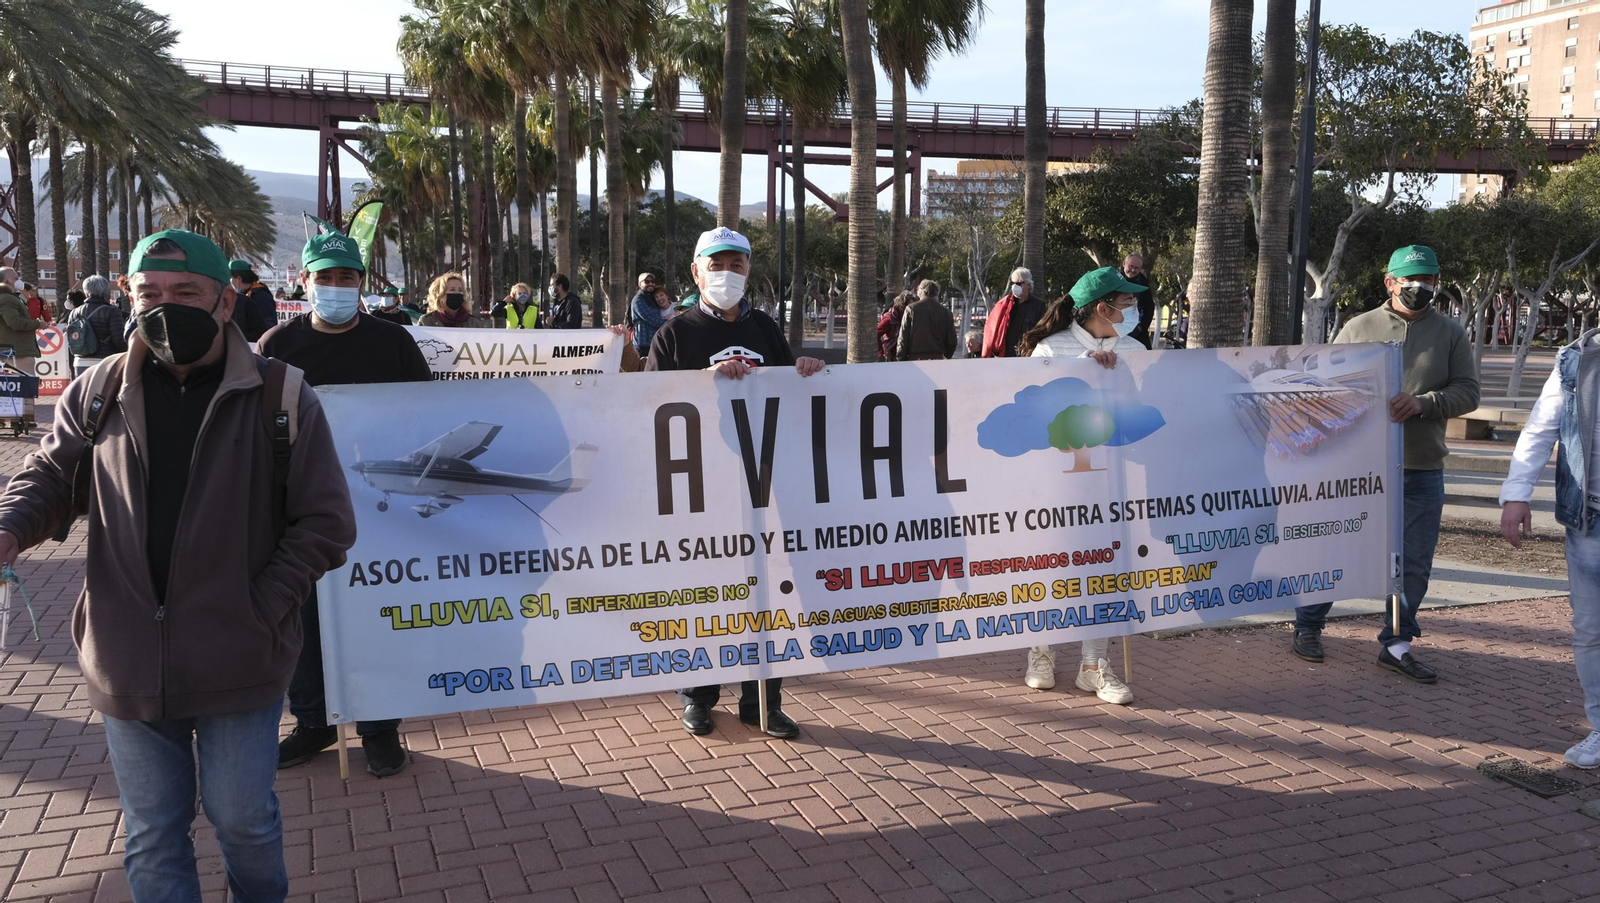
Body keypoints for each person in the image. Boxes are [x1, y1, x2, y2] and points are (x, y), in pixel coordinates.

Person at [0, 229, 356, 902]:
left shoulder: (281, 395)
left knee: (243, 821)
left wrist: (259, 605)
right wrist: (10, 527)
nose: (165, 307)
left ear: (225, 301)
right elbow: (49, 477)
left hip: (240, 657)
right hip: (127, 655)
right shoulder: (97, 388)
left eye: (184, 292)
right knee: (153, 832)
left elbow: (328, 522)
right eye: (149, 293)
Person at [260, 232, 430, 778]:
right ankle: (314, 722)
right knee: (303, 622)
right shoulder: (276, 347)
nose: (335, 287)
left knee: (377, 617)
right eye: (324, 277)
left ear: (361, 283)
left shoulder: (395, 342)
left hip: (381, 508)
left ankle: (381, 729)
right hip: (299, 513)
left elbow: (423, 413)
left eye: (346, 278)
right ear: (303, 280)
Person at [646, 226, 824, 741]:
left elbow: (791, 392)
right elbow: (646, 404)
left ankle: (762, 701)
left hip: (766, 485)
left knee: (768, 594)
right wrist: (705, 379)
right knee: (705, 593)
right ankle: (698, 697)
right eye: (717, 264)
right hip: (703, 490)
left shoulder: (767, 328)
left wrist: (806, 369)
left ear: (749, 272)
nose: (728, 274)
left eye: (738, 265)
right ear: (697, 272)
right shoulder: (673, 334)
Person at [1292, 245, 1480, 682]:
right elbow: (1323, 387)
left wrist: (1425, 403)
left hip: (1420, 467)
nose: (1421, 287)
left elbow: (1469, 392)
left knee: (1412, 563)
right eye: (1411, 279)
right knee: (1337, 547)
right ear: (1390, 282)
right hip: (1359, 469)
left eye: (1429, 279)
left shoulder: (1450, 333)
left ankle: (1397, 644)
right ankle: (1307, 626)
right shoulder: (1359, 328)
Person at [1016, 266, 1147, 704]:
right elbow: (1036, 415)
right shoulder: (1051, 348)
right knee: (1052, 566)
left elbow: (1141, 412)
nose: (1132, 308)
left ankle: (1094, 666)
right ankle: (1041, 652)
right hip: (1057, 482)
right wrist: (1084, 374)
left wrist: (1116, 378)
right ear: (1101, 307)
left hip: (1112, 481)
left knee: (1107, 571)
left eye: (1131, 301)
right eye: (1125, 301)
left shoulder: (1135, 348)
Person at [1500, 326, 1600, 769]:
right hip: (1590, 522)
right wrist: (1516, 494)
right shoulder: (1575, 360)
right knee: (1591, 632)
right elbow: (1541, 429)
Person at [0, 266, 44, 425]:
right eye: (15, 278)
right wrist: (37, 324)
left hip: (11, 349)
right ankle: (25, 418)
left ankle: (10, 417)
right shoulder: (8, 299)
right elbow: (15, 322)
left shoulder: (10, 298)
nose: (19, 281)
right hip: (18, 351)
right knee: (25, 384)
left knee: (7, 386)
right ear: (6, 281)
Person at [67, 275, 130, 376]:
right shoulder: (112, 312)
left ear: (86, 292)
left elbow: (71, 341)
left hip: (80, 361)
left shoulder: (74, 313)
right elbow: (119, 341)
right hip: (105, 361)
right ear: (105, 292)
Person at [982, 267, 1046, 358]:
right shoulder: (1005, 304)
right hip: (1005, 353)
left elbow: (1042, 329)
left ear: (1028, 285)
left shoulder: (1038, 305)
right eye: (1013, 283)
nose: (1015, 286)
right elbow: (992, 327)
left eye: (1019, 283)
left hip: (1027, 353)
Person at [897, 280, 957, 361]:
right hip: (938, 358)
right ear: (937, 293)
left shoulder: (911, 309)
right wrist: (946, 356)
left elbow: (903, 337)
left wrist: (901, 359)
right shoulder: (946, 312)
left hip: (915, 359)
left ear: (920, 292)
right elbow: (952, 341)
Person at [419, 273, 489, 328]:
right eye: (452, 290)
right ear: (440, 295)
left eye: (460, 290)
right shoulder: (426, 322)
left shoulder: (474, 323)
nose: (457, 293)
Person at [229, 260, 276, 341]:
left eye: (230, 278)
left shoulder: (261, 296)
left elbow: (269, 326)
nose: (229, 281)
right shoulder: (239, 295)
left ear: (239, 278)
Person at [1122, 254, 1156, 350]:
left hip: (1137, 330)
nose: (1133, 270)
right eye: (1131, 266)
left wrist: (1141, 327)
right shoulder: (1115, 279)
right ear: (1124, 264)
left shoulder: (1143, 283)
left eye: (1136, 268)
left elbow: (1149, 307)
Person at [630, 272, 668, 356]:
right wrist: (670, 322)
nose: (650, 284)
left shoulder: (652, 298)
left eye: (652, 281)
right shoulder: (638, 300)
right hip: (643, 345)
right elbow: (651, 319)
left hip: (654, 343)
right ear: (640, 284)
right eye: (647, 282)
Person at [878, 291, 911, 361]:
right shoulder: (889, 319)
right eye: (909, 307)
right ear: (902, 305)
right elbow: (877, 332)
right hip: (893, 356)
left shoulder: (907, 318)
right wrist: (881, 352)